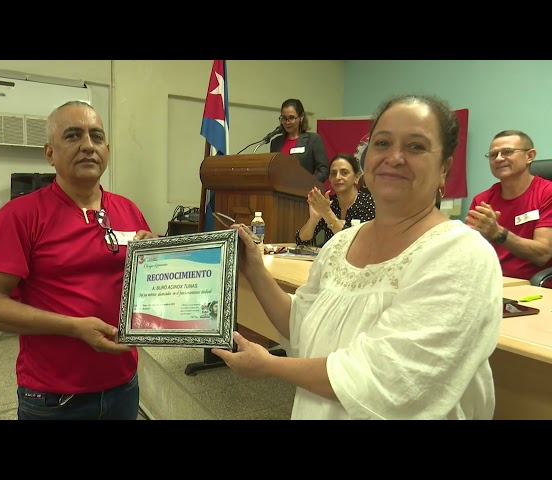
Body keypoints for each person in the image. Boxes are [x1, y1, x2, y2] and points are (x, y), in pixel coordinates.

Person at [212, 93, 503, 420]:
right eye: (382, 143)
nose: (394, 157)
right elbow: (301, 327)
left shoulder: (460, 254)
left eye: (416, 146)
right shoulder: (340, 244)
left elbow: (388, 379)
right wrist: (253, 266)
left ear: (444, 169)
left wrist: (270, 365)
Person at [0, 100, 158, 420]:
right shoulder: (20, 216)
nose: (88, 145)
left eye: (96, 137)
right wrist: (75, 328)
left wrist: (156, 259)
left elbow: (146, 293)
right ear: (50, 154)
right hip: (54, 397)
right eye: (73, 136)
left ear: (108, 150)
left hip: (124, 386)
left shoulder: (129, 210)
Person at [465, 130, 552, 280]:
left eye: (507, 152)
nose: (498, 159)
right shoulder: (482, 201)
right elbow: (470, 252)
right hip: (493, 282)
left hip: (535, 288)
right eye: (493, 154)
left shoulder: (547, 193)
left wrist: (498, 233)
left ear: (529, 156)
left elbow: (543, 254)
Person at [295, 153, 375, 247]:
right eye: (333, 173)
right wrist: (313, 220)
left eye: (344, 172)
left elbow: (355, 244)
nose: (337, 177)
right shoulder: (330, 203)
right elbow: (301, 241)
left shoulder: (370, 203)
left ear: (356, 178)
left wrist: (327, 213)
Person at [270, 98, 329, 183]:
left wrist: (308, 184)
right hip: (280, 192)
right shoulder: (276, 142)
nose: (287, 122)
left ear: (301, 117)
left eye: (291, 118)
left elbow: (324, 170)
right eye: (284, 118)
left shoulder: (313, 140)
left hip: (304, 192)